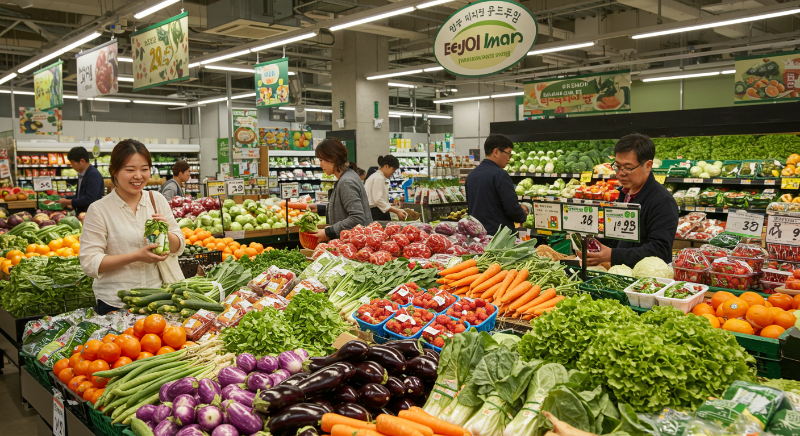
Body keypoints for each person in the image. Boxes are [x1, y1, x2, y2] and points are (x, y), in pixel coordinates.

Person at [79, 139, 185, 315]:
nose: (138, 176)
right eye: (130, 170)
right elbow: (90, 263)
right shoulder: (99, 209)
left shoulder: (156, 200)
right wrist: (137, 256)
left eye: (144, 169)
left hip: (157, 300)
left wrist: (166, 234)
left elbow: (178, 246)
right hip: (116, 303)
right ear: (114, 171)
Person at [585, 133, 679, 268]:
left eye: (628, 168)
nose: (621, 173)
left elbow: (660, 250)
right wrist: (594, 243)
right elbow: (617, 235)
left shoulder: (662, 201)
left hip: (647, 279)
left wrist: (612, 255)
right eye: (617, 166)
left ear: (648, 165)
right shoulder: (623, 194)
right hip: (621, 271)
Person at [308, 138, 372, 241]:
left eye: (321, 160)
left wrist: (328, 232)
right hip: (353, 242)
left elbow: (357, 218)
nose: (320, 165)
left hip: (355, 244)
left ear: (333, 158)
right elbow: (344, 208)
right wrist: (319, 208)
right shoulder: (348, 176)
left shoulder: (346, 182)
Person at [465, 134, 529, 235]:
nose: (509, 158)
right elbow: (512, 208)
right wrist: (523, 213)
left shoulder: (472, 175)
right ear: (496, 152)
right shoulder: (500, 175)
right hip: (499, 239)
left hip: (478, 236)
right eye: (508, 153)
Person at [58, 146, 105, 214]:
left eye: (72, 162)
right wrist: (65, 198)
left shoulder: (94, 175)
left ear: (82, 161)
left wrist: (68, 202)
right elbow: (80, 196)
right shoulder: (82, 174)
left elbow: (90, 199)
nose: (72, 165)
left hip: (91, 215)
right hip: (82, 214)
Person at [365, 155, 408, 221]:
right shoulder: (378, 178)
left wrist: (391, 205)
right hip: (376, 214)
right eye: (393, 169)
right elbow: (378, 200)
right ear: (386, 166)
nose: (394, 172)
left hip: (375, 212)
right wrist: (396, 211)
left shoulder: (376, 176)